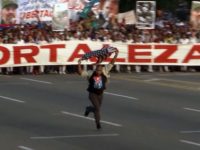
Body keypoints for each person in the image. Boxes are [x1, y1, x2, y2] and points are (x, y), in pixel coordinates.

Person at [78, 47, 119, 129]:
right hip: (92, 94)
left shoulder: (105, 70)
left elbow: (112, 63)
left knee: (96, 108)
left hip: (100, 94)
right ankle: (98, 124)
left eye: (100, 70)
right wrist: (79, 63)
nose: (99, 71)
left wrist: (116, 55)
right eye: (97, 70)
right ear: (95, 69)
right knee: (97, 108)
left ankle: (89, 109)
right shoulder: (90, 73)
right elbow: (80, 73)